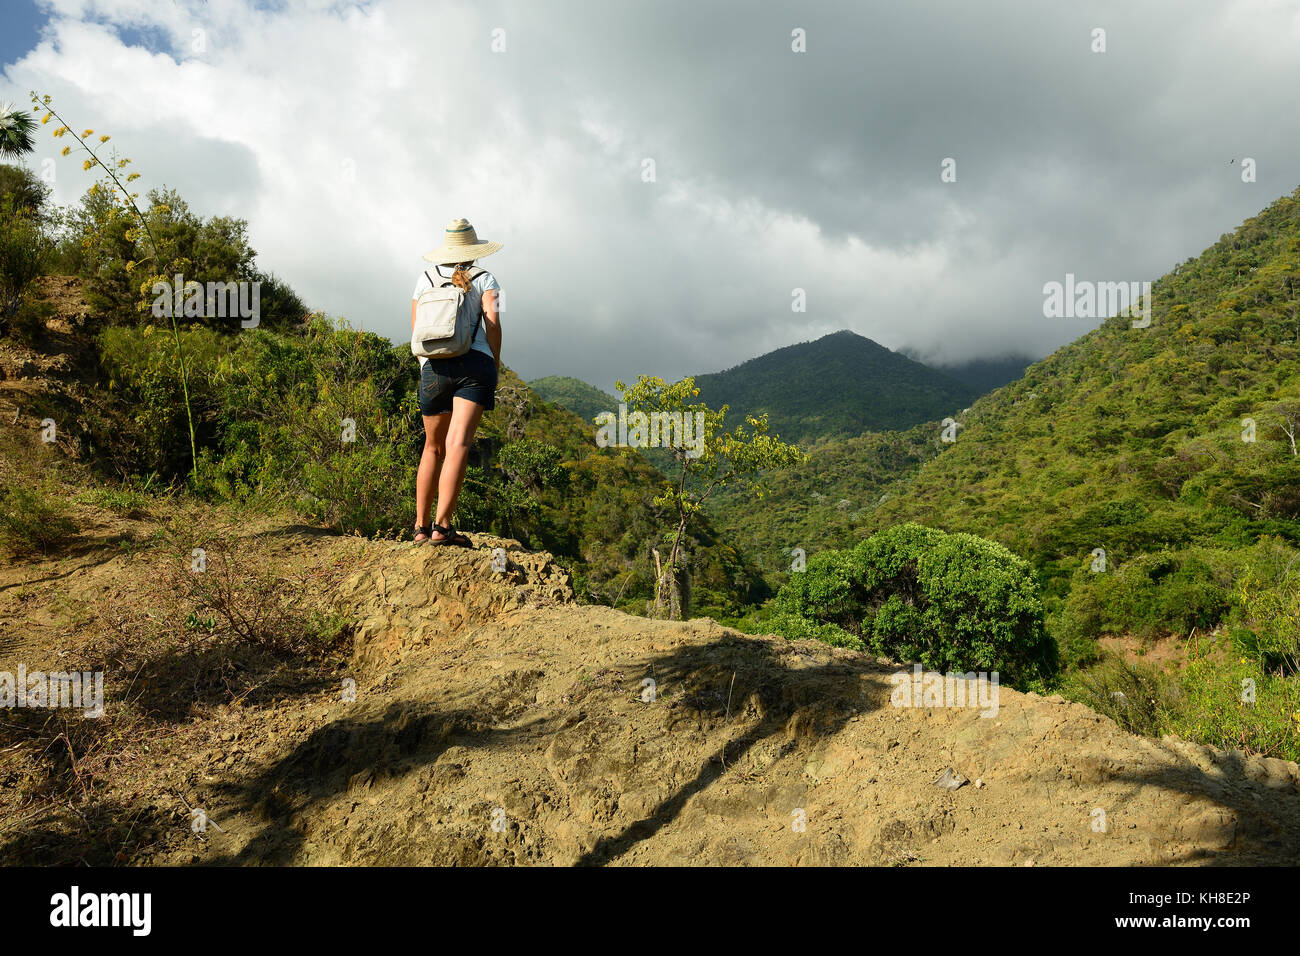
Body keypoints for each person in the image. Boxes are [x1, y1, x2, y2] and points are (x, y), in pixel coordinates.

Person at [411, 218, 503, 546]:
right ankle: (442, 527)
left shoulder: (425, 279)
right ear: (474, 250)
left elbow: (416, 330)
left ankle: (421, 529)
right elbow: (492, 322)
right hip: (474, 366)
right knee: (458, 444)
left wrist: (426, 366)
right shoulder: (486, 278)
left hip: (434, 367)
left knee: (432, 447)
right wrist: (494, 360)